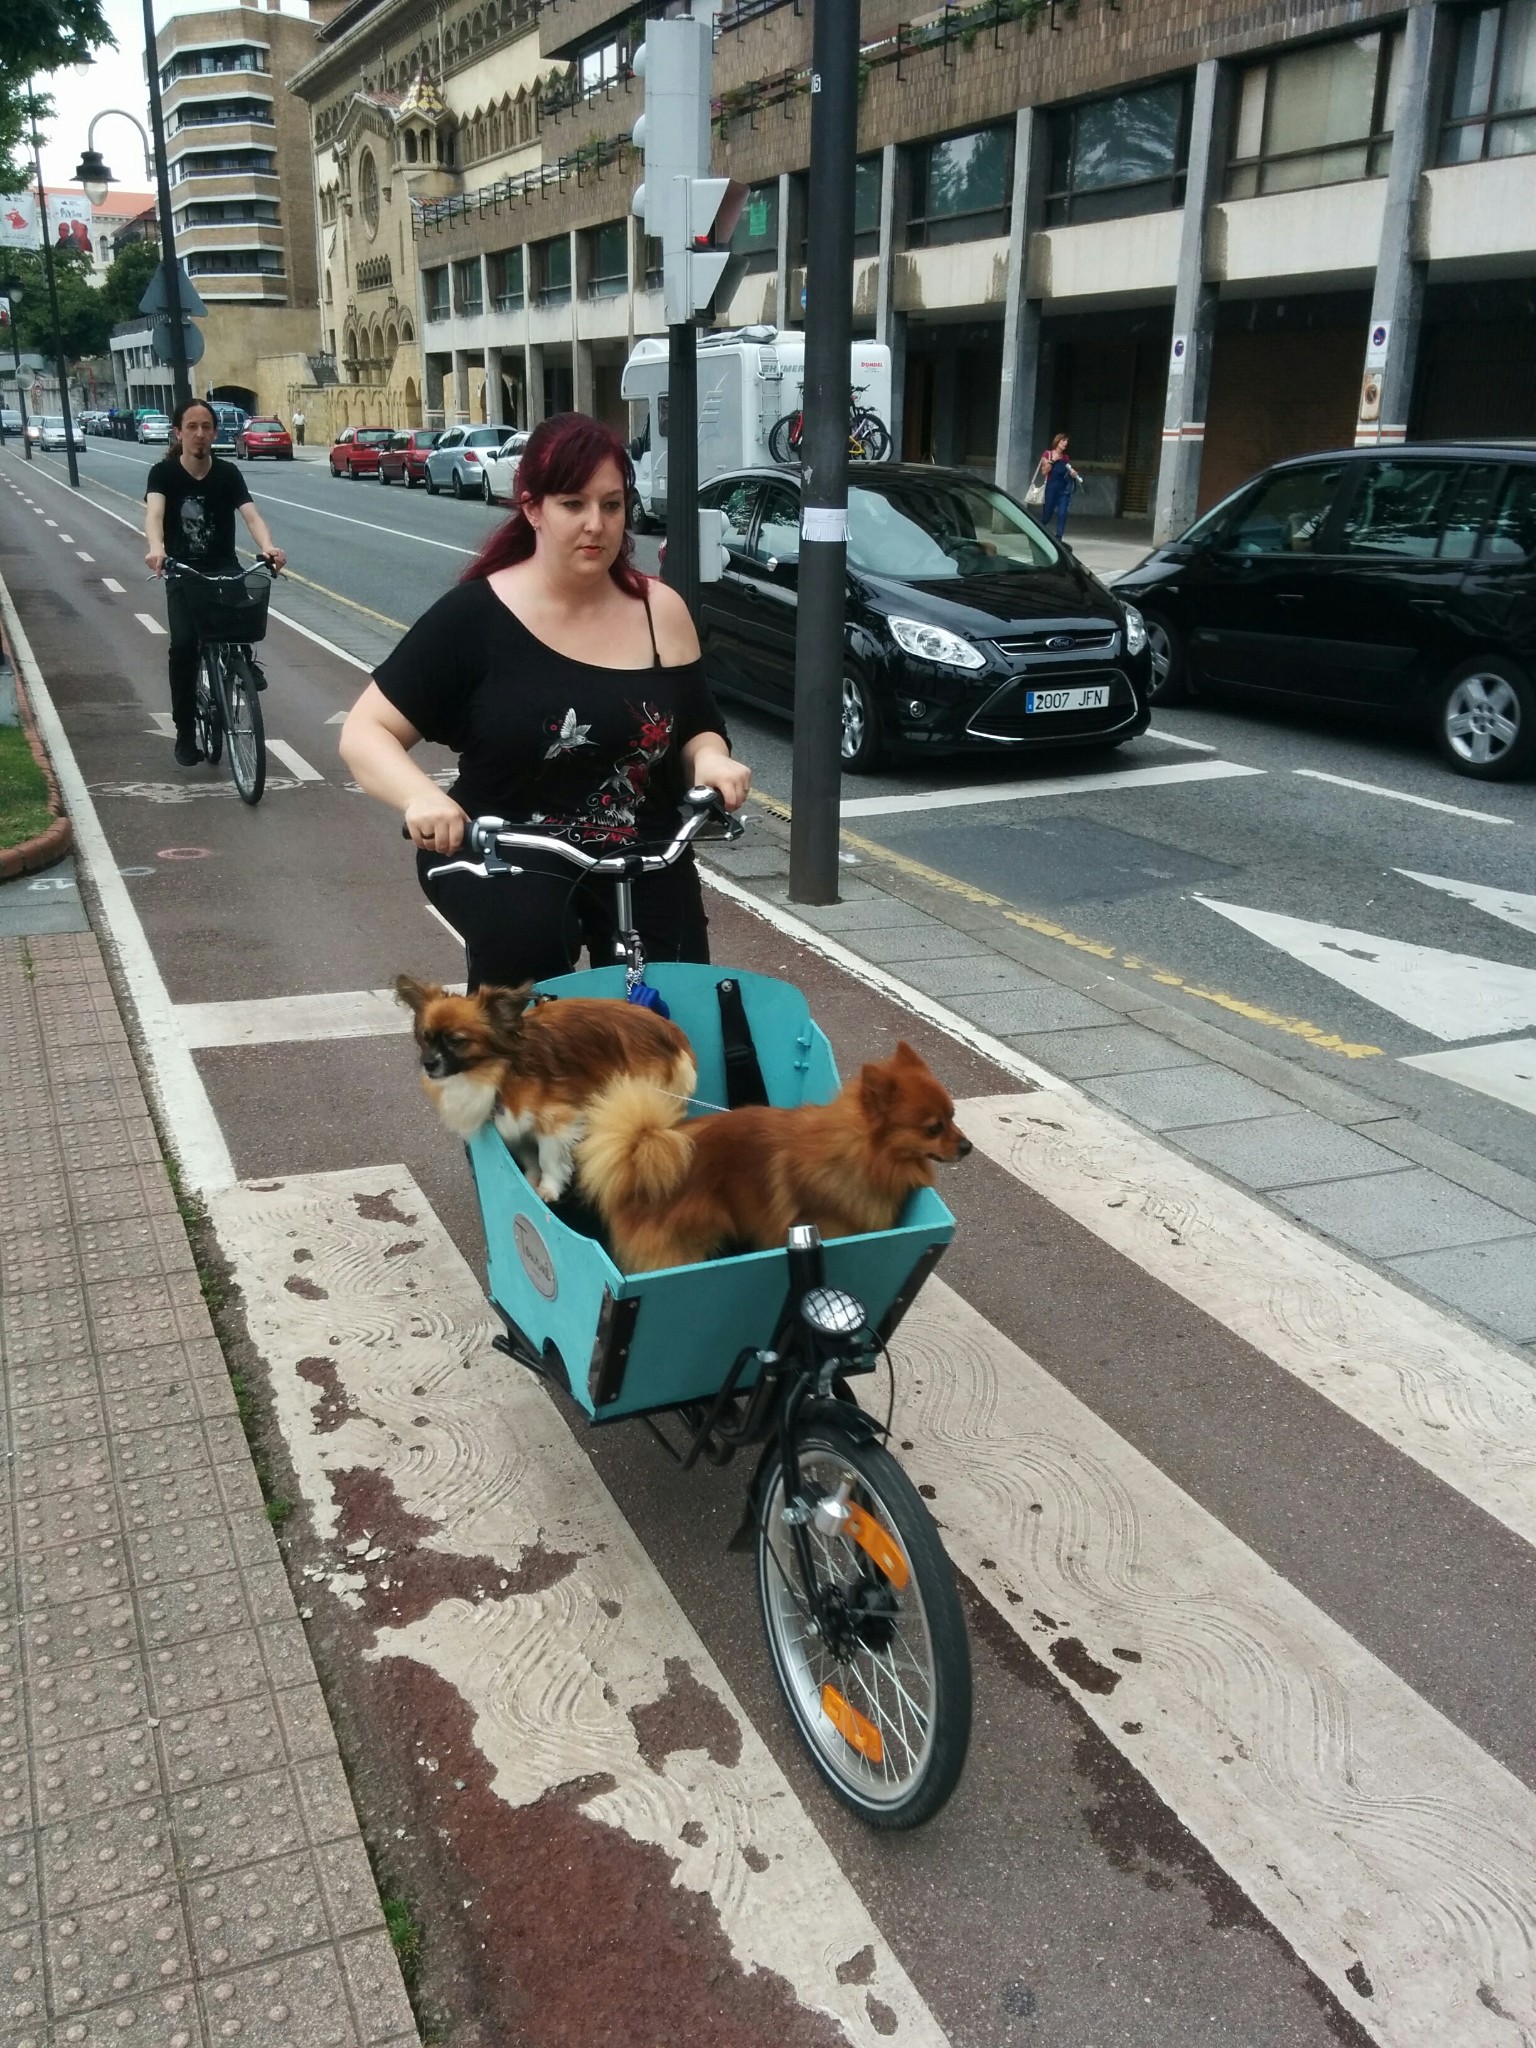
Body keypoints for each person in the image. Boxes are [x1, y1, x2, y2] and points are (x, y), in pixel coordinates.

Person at [340, 411, 751, 990]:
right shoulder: (475, 617)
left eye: (612, 505)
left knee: (678, 1001)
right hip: (504, 847)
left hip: (641, 848)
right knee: (528, 968)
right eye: (572, 504)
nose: (596, 525)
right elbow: (366, 732)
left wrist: (710, 760)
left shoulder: (659, 611)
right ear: (533, 508)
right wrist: (421, 799)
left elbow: (698, 726)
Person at [144, 396, 287, 767]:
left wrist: (268, 547)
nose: (199, 434)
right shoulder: (163, 473)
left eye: (206, 427)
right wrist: (157, 549)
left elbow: (251, 516)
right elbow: (155, 515)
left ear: (215, 433)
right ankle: (185, 732)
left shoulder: (227, 473)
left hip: (224, 567)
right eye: (191, 427)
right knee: (184, 647)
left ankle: (242, 661)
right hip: (182, 570)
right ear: (178, 432)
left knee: (241, 624)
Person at [1040, 432, 1083, 542]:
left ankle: (1059, 537)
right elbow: (1044, 472)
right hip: (1051, 488)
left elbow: (1065, 473)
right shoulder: (1047, 454)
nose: (1065, 443)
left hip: (1064, 489)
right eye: (1063, 441)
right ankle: (1038, 530)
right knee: (1047, 515)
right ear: (1057, 441)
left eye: (1067, 441)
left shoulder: (1065, 458)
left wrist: (1072, 474)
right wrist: (1053, 460)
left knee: (1062, 513)